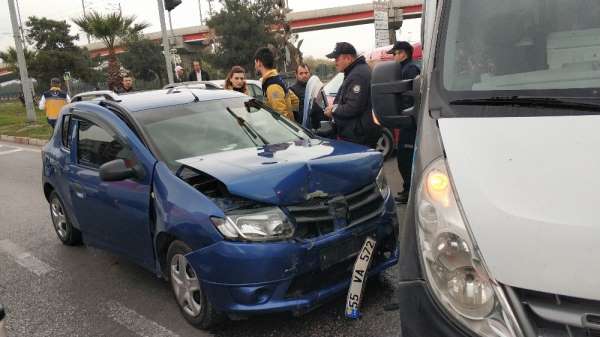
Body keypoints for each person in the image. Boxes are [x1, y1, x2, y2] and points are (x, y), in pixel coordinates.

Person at [324, 42, 381, 147]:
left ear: (348, 58)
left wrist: (333, 110)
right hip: (359, 133)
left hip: (359, 135)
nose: (335, 62)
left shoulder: (357, 75)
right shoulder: (354, 72)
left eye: (337, 59)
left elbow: (353, 107)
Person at [387, 41, 421, 204]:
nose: (394, 57)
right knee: (403, 158)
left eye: (395, 53)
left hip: (410, 121)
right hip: (406, 120)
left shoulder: (410, 69)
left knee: (405, 158)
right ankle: (408, 189)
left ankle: (411, 191)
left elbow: (409, 96)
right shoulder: (403, 69)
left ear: (403, 54)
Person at [254, 47, 296, 120]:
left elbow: (281, 117)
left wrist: (292, 121)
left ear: (259, 62)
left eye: (255, 63)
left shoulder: (272, 86)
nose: (255, 66)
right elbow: (295, 100)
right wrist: (294, 118)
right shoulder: (276, 79)